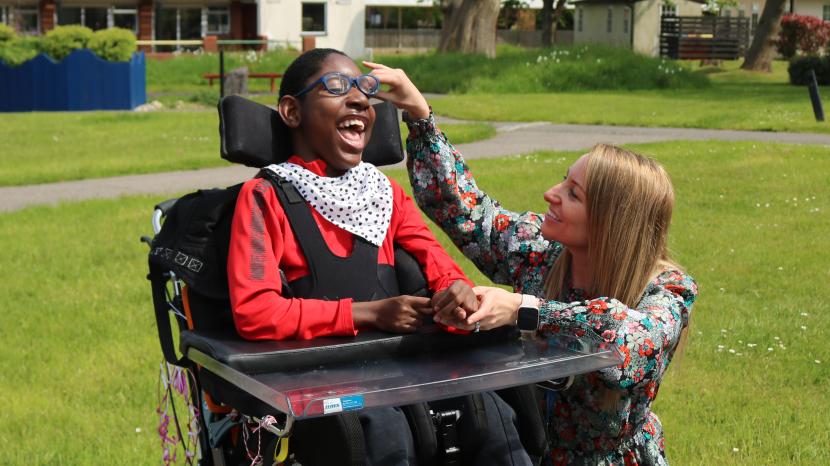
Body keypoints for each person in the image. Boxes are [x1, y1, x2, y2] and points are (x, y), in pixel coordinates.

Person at [368, 62, 698, 465]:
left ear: (612, 222)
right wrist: (419, 115)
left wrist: (523, 310)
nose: (550, 193)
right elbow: (463, 210)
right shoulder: (539, 251)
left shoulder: (669, 290)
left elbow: (633, 342)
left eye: (573, 194)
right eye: (564, 180)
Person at [226, 48, 532, 466]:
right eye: (337, 87)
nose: (359, 100)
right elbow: (255, 311)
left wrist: (456, 290)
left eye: (364, 90)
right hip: (324, 373)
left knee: (493, 420)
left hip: (403, 364)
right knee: (384, 437)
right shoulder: (266, 197)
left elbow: (436, 263)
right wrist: (370, 314)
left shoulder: (385, 193)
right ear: (292, 112)